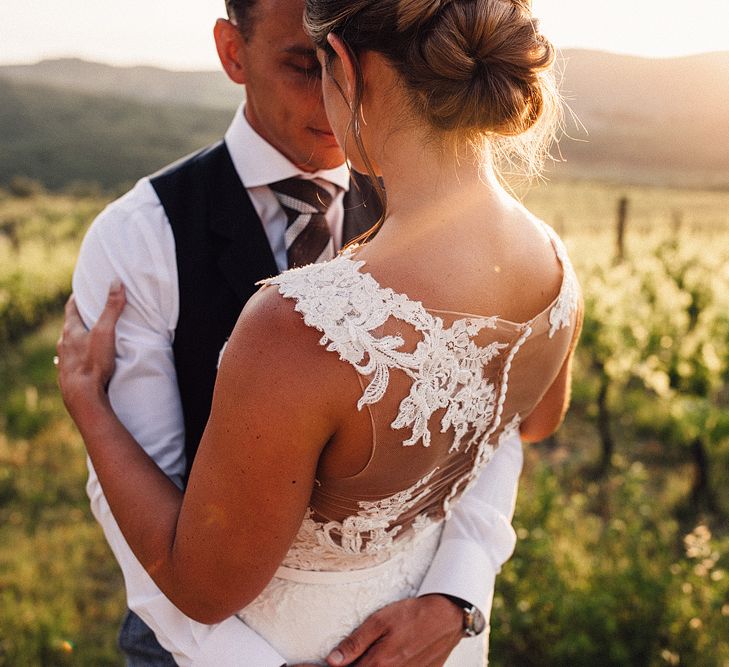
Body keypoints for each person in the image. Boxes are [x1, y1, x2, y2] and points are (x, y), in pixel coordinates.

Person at [61, 0, 528, 665]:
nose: (342, 96)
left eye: (357, 68)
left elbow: (487, 411)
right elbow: (135, 491)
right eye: (303, 64)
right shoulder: (139, 236)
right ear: (232, 52)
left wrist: (457, 593)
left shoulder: (427, 200)